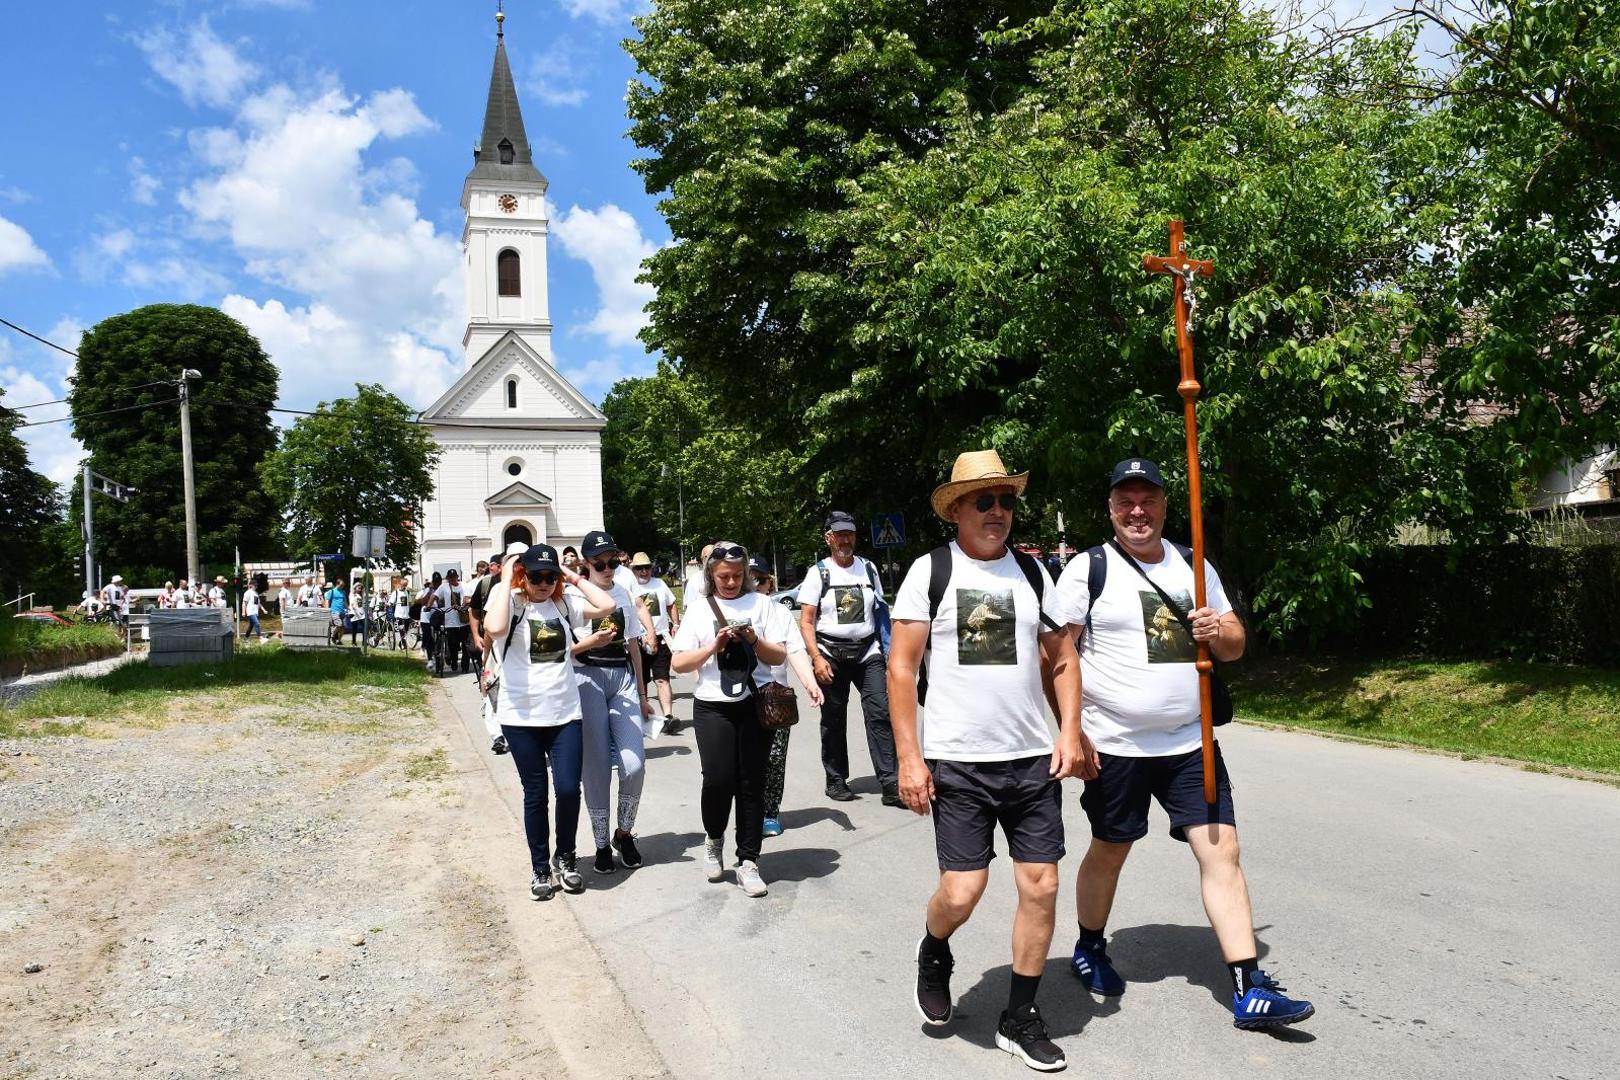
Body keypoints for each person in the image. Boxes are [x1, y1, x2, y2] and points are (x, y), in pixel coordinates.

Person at [1053, 458, 1314, 1030]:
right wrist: (1070, 732)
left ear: (1167, 506)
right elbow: (1058, 655)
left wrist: (1217, 631)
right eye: (1126, 501)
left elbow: (1236, 645)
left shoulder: (1194, 566)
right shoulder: (1087, 569)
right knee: (1110, 848)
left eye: (1148, 500)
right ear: (1111, 509)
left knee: (1222, 852)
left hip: (1190, 742)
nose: (1137, 511)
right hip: (1116, 746)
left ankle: (1249, 986)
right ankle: (1091, 946)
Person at [888, 449, 1093, 1072]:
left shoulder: (1034, 575)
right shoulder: (931, 571)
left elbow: (1062, 657)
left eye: (1006, 500)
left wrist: (1070, 732)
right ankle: (934, 948)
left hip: (1031, 760)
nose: (998, 510)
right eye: (985, 500)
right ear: (956, 510)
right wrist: (909, 759)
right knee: (963, 889)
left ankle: (1020, 1015)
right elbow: (900, 668)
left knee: (1043, 884)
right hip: (959, 761)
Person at [485, 543, 618, 900]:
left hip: (564, 714)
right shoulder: (509, 603)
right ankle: (540, 868)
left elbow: (607, 605)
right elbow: (494, 629)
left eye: (550, 576)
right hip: (520, 717)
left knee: (569, 789)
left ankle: (568, 857)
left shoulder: (563, 603)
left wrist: (572, 575)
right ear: (522, 575)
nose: (543, 583)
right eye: (536, 576)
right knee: (536, 794)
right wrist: (505, 579)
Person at [670, 541, 795, 898]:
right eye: (724, 576)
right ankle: (713, 839)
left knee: (752, 782)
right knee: (718, 779)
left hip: (753, 705)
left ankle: (749, 860)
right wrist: (714, 646)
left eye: (738, 576)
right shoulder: (697, 609)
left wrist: (754, 639)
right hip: (712, 705)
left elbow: (779, 655)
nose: (731, 582)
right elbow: (679, 663)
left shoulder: (763, 605)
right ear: (711, 575)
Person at [797, 510, 901, 806]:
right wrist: (816, 657)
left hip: (868, 652)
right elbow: (806, 621)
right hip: (830, 653)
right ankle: (836, 778)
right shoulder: (818, 573)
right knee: (833, 718)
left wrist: (889, 652)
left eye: (850, 534)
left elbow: (881, 612)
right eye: (840, 534)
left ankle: (890, 781)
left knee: (881, 713)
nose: (845, 540)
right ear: (828, 538)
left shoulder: (868, 569)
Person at [568, 531, 655, 874]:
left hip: (622, 678)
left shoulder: (624, 591)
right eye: (600, 563)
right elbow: (565, 652)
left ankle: (624, 832)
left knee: (634, 764)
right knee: (598, 768)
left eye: (614, 561)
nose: (609, 568)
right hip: (587, 677)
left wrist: (644, 693)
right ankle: (601, 841)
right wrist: (593, 640)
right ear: (586, 564)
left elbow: (633, 644)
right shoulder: (573, 595)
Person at [750, 556, 824, 837]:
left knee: (775, 758)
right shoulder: (733, 610)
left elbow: (795, 650)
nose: (755, 584)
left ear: (769, 583)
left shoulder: (780, 614)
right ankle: (749, 810)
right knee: (746, 761)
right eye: (750, 577)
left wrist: (809, 683)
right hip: (741, 698)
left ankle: (770, 813)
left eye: (761, 578)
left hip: (775, 700)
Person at [471, 547, 519, 754]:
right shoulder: (492, 586)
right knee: (492, 689)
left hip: (519, 654)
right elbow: (484, 620)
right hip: (497, 651)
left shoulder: (537, 585)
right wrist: (483, 647)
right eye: (513, 561)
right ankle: (497, 736)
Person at [629, 552, 681, 733]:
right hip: (637, 640)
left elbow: (671, 603)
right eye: (639, 568)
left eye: (647, 568)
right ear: (633, 570)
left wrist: (675, 624)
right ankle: (644, 717)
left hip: (660, 637)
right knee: (641, 681)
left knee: (662, 678)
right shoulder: (628, 586)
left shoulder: (659, 584)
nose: (644, 571)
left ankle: (668, 717)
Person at [436, 569, 470, 673]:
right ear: (447, 578)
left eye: (453, 577)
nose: (452, 579)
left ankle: (465, 667)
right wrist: (428, 605)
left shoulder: (464, 585)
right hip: (450, 623)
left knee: (465, 646)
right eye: (450, 577)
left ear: (457, 577)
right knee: (452, 646)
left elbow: (467, 597)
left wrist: (463, 606)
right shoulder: (444, 587)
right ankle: (454, 661)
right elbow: (435, 596)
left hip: (464, 621)